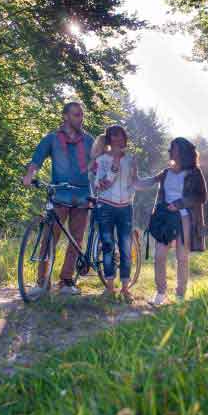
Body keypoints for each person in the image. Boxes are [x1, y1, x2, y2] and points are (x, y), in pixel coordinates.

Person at [22, 102, 94, 297]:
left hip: (82, 196)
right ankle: (42, 282)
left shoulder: (89, 141)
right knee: (49, 238)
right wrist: (30, 175)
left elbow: (97, 164)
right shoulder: (52, 139)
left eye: (81, 114)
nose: (80, 118)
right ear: (65, 116)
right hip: (59, 195)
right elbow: (36, 159)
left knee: (76, 239)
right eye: (76, 114)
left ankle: (66, 281)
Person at [138, 138, 207, 306]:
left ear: (183, 151)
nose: (170, 151)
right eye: (170, 148)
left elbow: (201, 196)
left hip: (184, 217)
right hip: (166, 219)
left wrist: (179, 204)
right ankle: (161, 292)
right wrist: (132, 178)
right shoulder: (166, 172)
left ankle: (180, 295)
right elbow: (148, 182)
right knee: (159, 255)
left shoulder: (194, 172)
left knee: (182, 257)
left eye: (174, 148)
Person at [91, 125, 138, 302]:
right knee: (108, 246)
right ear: (109, 140)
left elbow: (135, 182)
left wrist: (157, 180)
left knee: (126, 248)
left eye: (120, 136)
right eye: (113, 137)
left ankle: (125, 288)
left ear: (124, 139)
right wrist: (115, 165)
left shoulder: (131, 159)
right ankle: (110, 287)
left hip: (126, 208)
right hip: (106, 207)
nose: (117, 140)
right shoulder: (102, 159)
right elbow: (101, 184)